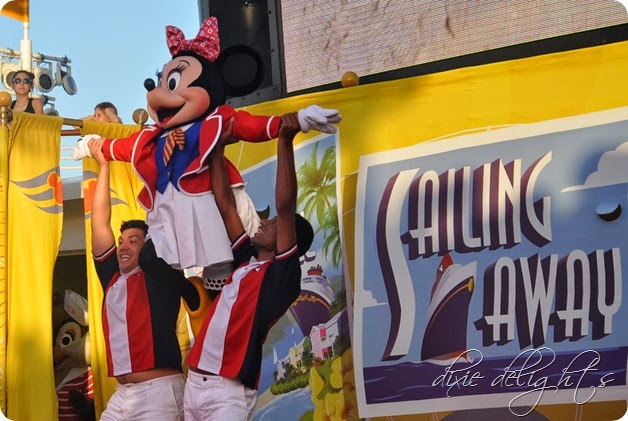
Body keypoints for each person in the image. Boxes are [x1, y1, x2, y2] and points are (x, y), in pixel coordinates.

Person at [71, 16, 340, 299]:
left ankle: (210, 303)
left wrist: (294, 121)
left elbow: (248, 126)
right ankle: (191, 296)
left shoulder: (213, 122)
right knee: (151, 258)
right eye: (163, 83)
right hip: (171, 211)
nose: (160, 93)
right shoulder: (152, 137)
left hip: (208, 203)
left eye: (172, 83)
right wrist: (93, 144)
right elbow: (121, 148)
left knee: (221, 270)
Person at [183, 112, 314, 420]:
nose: (264, 222)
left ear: (287, 240)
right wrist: (216, 149)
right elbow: (225, 203)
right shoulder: (246, 261)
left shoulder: (282, 277)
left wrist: (284, 140)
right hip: (194, 383)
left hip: (227, 392)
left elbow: (285, 206)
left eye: (274, 224)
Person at [87, 137, 200, 420]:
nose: (123, 246)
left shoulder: (160, 274)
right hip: (123, 395)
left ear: (149, 245)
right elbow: (99, 222)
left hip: (159, 393)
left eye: (133, 241)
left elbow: (162, 232)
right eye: (121, 241)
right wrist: (103, 166)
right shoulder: (112, 277)